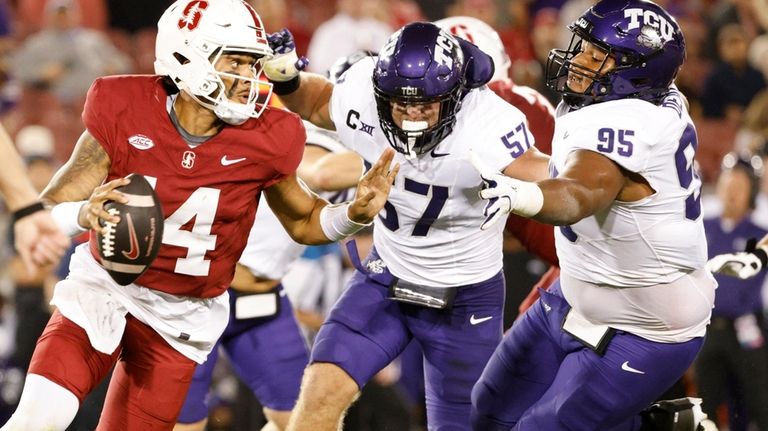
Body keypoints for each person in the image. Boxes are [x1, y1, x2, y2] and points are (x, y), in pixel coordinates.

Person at [0, 1, 397, 430]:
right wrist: (83, 213)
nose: (248, 78)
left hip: (181, 318)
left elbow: (302, 221)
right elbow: (49, 209)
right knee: (41, 417)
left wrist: (352, 215)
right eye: (237, 62)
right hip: (105, 291)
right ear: (188, 57)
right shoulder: (124, 105)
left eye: (253, 64)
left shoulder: (269, 135)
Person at [263, 21, 549, 430]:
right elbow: (315, 102)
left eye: (426, 105)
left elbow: (548, 177)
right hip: (386, 279)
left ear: (454, 96)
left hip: (465, 298)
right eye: (400, 103)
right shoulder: (362, 89)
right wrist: (286, 78)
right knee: (319, 392)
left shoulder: (488, 122)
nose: (412, 116)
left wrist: (600, 179)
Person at [466, 0, 717, 429]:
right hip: (580, 287)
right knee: (488, 408)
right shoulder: (644, 96)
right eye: (582, 46)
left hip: (646, 325)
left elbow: (579, 193)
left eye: (596, 55)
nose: (578, 59)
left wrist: (522, 197)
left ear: (635, 71)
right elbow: (558, 168)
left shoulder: (629, 124)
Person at [175, 122, 360, 431]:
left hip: (264, 299)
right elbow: (322, 173)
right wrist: (407, 156)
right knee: (185, 424)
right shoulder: (313, 140)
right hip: (200, 297)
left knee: (311, 420)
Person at [697, 152, 768, 429]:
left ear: (751, 192)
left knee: (759, 403)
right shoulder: (701, 228)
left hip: (747, 331)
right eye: (729, 183)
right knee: (705, 408)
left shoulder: (759, 234)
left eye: (740, 185)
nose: (733, 192)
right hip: (709, 329)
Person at [0, 123, 69, 274]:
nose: (38, 173)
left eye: (42, 166)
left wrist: (28, 209)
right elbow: (19, 272)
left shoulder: (68, 199)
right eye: (33, 166)